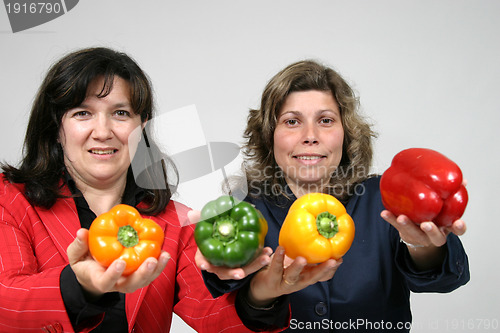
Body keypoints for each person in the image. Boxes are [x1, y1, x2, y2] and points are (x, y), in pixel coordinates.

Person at [0, 47, 293, 333]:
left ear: (142, 129)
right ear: (57, 128)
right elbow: (6, 305)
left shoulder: (175, 224)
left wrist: (260, 296)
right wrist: (80, 287)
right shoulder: (10, 201)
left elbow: (219, 319)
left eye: (120, 113)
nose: (103, 132)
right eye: (82, 113)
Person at [197, 60, 470, 332]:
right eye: (292, 122)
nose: (310, 136)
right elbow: (242, 316)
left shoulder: (386, 198)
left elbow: (444, 280)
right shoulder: (244, 211)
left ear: (346, 133)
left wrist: (422, 245)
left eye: (325, 120)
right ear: (270, 136)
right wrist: (263, 290)